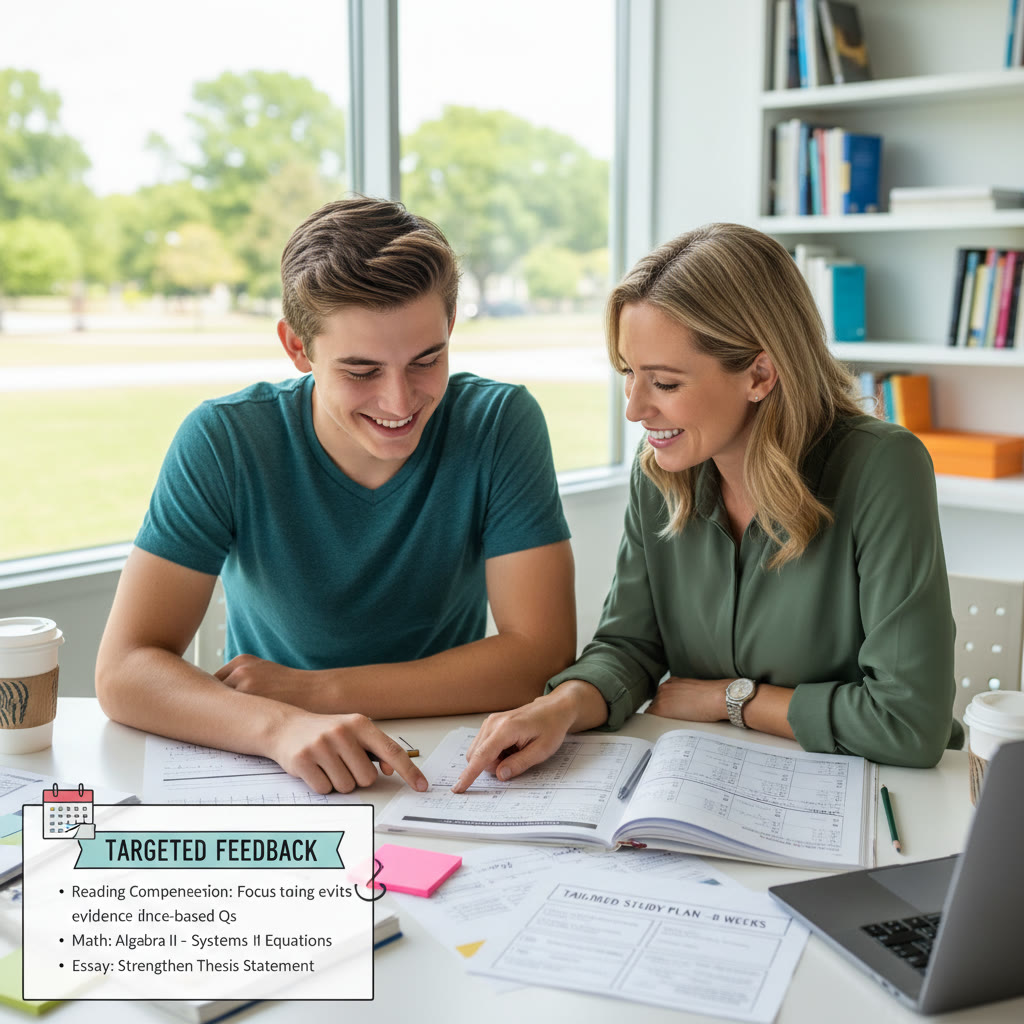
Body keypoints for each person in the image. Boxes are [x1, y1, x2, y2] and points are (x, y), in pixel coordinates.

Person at [454, 222, 961, 793]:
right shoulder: (660, 471)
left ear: (759, 375)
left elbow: (909, 722)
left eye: (665, 384)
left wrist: (734, 700)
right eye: (629, 374)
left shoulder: (883, 467)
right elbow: (629, 646)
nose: (635, 409)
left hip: (877, 797)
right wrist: (562, 705)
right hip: (709, 786)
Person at [96, 197, 576, 796]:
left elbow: (540, 657)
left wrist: (316, 692)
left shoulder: (498, 423)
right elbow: (124, 670)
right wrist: (279, 724)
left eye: (426, 360)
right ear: (298, 347)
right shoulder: (225, 440)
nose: (400, 402)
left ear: (451, 326)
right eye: (361, 371)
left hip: (445, 763)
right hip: (276, 759)